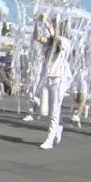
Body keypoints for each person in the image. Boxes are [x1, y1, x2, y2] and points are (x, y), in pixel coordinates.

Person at [38, 14, 72, 150]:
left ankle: (50, 138)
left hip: (60, 78)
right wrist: (37, 23)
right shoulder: (49, 42)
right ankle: (59, 124)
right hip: (47, 78)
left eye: (55, 26)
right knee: (44, 110)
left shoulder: (64, 42)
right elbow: (37, 37)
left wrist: (47, 22)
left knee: (54, 110)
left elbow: (57, 39)